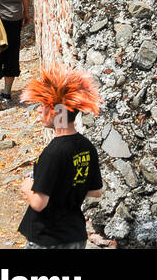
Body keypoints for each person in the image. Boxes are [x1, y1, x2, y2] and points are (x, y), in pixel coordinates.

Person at [18, 66, 103, 250]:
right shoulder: (87, 147)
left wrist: (28, 187)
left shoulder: (53, 153)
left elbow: (39, 204)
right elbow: (95, 191)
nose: (39, 111)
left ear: (58, 112)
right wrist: (64, 187)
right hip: (76, 236)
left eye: (43, 106)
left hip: (48, 237)